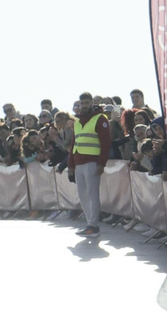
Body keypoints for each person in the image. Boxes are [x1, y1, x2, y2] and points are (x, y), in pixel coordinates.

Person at [69, 92, 110, 237]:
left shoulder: (100, 118)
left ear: (92, 103)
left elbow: (106, 143)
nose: (84, 106)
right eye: (82, 104)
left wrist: (101, 164)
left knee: (93, 194)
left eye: (87, 103)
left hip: (92, 162)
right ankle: (89, 224)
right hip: (79, 162)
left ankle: (93, 225)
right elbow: (74, 144)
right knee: (82, 195)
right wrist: (70, 166)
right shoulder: (77, 121)